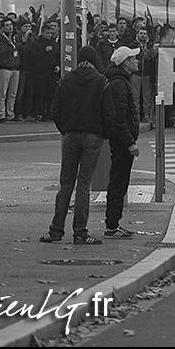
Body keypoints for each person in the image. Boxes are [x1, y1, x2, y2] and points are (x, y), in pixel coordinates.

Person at [41, 46, 114, 245]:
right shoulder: (101, 81)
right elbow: (109, 112)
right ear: (93, 60)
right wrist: (103, 133)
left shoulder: (66, 80)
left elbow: (55, 109)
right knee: (83, 185)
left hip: (71, 135)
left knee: (65, 185)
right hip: (93, 136)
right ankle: (80, 232)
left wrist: (64, 128)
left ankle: (56, 230)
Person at [103, 46, 143, 239]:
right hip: (121, 142)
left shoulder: (121, 80)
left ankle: (113, 223)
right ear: (126, 62)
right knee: (118, 182)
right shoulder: (119, 83)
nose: (137, 61)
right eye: (134, 58)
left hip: (122, 139)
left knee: (120, 181)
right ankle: (112, 225)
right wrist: (129, 142)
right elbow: (119, 118)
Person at [0, 18, 21, 121]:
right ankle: (1, 114)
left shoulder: (15, 38)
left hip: (15, 67)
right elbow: (1, 52)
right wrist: (9, 43)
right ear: (2, 28)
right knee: (3, 93)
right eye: (7, 25)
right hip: (5, 67)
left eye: (11, 25)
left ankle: (10, 113)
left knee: (13, 93)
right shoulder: (0, 38)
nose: (10, 27)